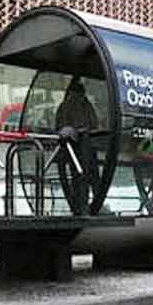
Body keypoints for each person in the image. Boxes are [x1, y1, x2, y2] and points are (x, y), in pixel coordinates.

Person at [55, 79, 100, 214]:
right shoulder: (85, 105)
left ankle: (81, 206)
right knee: (88, 177)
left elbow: (60, 126)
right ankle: (88, 206)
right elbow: (94, 123)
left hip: (76, 149)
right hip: (84, 148)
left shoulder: (65, 106)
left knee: (80, 178)